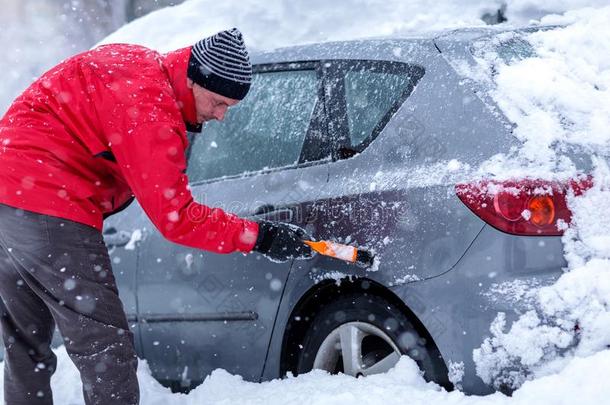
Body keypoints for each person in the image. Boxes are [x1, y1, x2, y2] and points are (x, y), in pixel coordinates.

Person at [0, 28, 311, 405]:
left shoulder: (138, 64)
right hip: (47, 200)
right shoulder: (150, 109)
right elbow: (177, 218)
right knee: (104, 346)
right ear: (196, 79)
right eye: (218, 102)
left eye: (229, 106)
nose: (221, 116)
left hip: (8, 194)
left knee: (24, 343)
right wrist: (260, 236)